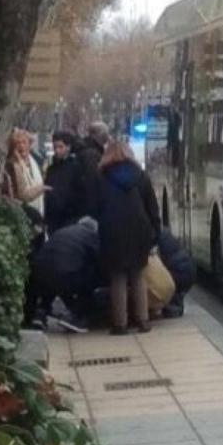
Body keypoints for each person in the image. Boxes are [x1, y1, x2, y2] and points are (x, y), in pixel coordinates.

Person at [97, 141, 160, 335]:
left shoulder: (102, 176)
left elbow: (96, 205)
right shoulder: (140, 176)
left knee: (118, 276)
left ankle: (120, 323)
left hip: (113, 230)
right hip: (139, 229)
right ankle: (143, 320)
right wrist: (155, 232)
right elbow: (152, 205)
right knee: (138, 274)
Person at [24, 216, 100, 332]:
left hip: (37, 273)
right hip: (64, 275)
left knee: (51, 278)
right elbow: (98, 260)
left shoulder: (63, 231)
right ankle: (76, 316)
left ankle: (40, 313)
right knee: (89, 278)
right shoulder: (91, 236)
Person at [44, 130, 85, 233]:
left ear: (68, 147)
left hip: (69, 218)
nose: (57, 151)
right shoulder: (51, 169)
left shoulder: (76, 168)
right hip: (53, 219)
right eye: (55, 147)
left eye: (60, 147)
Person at [2, 129, 47, 216]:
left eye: (24, 142)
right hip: (21, 210)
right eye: (17, 143)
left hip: (37, 209)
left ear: (29, 145)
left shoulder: (36, 161)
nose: (21, 146)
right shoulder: (12, 165)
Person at [157, 229, 196, 318]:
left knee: (162, 284)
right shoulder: (164, 233)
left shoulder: (154, 238)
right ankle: (176, 303)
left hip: (177, 272)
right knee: (177, 289)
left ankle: (173, 305)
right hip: (190, 270)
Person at [78, 121, 110, 217]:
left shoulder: (87, 149)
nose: (107, 138)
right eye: (105, 135)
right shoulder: (92, 154)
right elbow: (91, 183)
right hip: (89, 210)